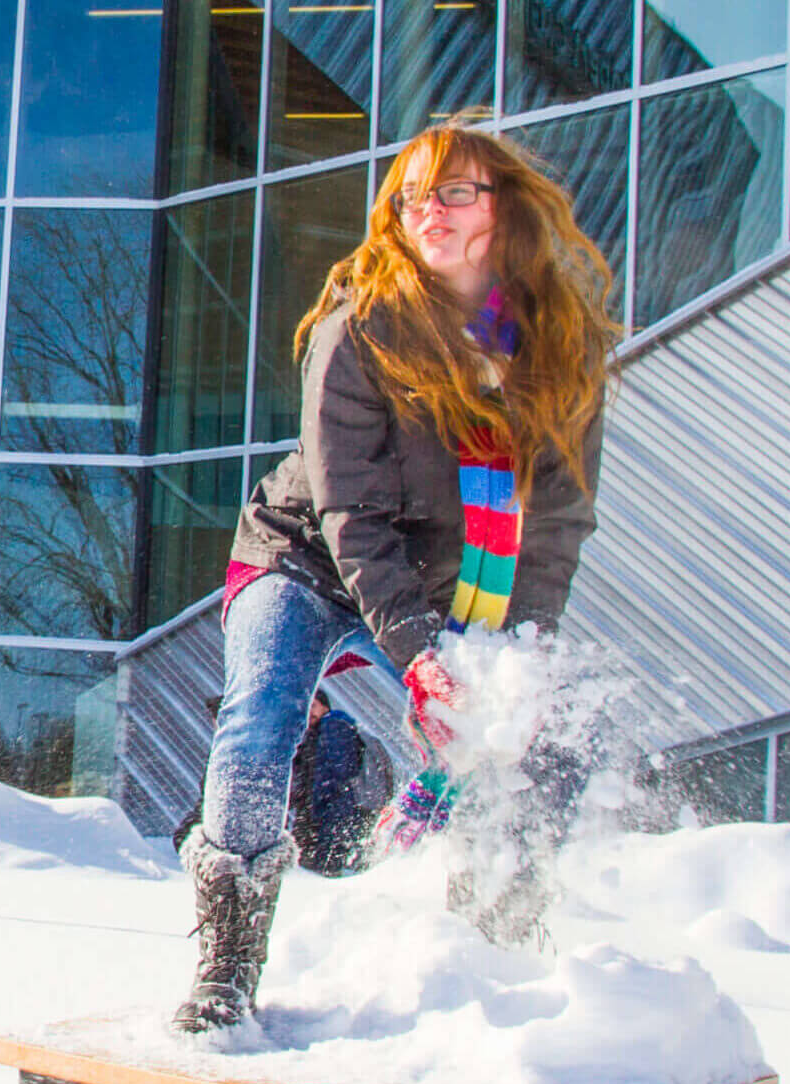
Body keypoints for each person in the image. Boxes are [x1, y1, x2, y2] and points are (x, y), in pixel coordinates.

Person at [175, 125, 621, 1035]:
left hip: (446, 584)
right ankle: (226, 963)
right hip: (306, 558)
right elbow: (354, 519)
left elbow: (557, 525)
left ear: (504, 210)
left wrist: (517, 660)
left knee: (529, 744)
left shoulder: (552, 351)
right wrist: (420, 661)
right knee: (261, 716)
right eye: (415, 197)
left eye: (454, 193)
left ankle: (493, 943)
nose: (429, 212)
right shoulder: (360, 332)